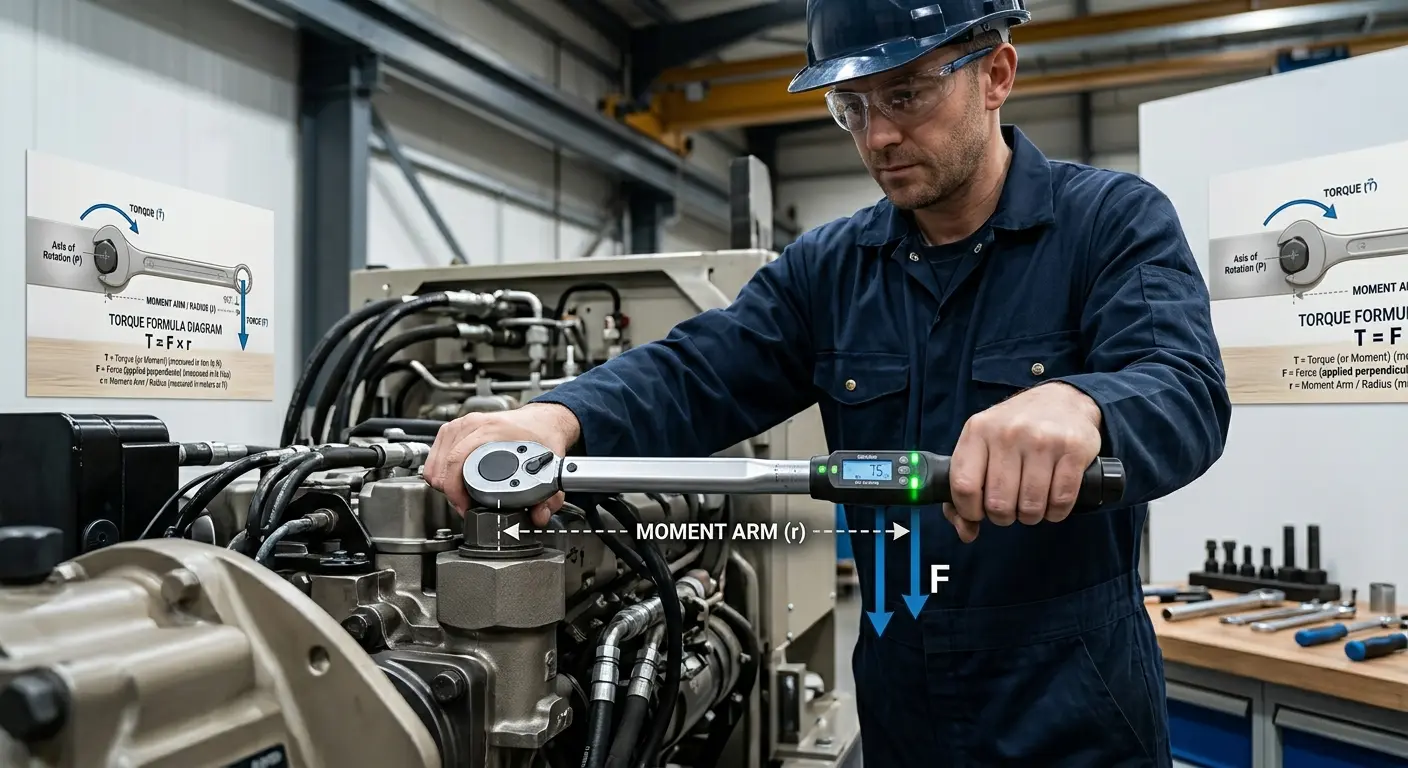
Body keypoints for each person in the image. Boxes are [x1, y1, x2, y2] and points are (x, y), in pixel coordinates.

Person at [427, 0, 1231, 764]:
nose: (878, 135)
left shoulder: (1110, 223)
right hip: (902, 709)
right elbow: (698, 368)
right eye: (851, 107)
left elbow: (1185, 387)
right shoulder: (832, 268)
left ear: (996, 75)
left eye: (905, 94)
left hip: (1073, 712)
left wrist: (1083, 403)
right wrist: (558, 416)